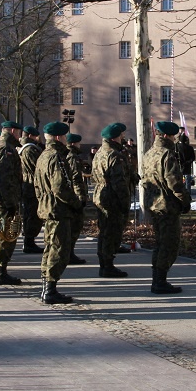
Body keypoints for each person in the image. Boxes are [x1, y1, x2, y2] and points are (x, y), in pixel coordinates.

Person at [34, 121, 84, 304]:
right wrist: (75, 202)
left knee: (50, 247)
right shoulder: (56, 157)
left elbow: (37, 185)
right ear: (58, 137)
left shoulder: (43, 155)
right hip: (58, 209)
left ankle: (47, 286)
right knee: (58, 249)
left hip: (48, 208)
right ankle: (50, 289)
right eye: (63, 137)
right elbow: (60, 187)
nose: (65, 140)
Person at [141, 121, 191, 294]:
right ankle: (159, 282)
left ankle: (158, 280)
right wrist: (185, 201)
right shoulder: (167, 155)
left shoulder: (149, 154)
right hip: (167, 205)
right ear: (167, 136)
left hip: (153, 204)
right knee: (169, 244)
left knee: (160, 242)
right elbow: (175, 184)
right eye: (174, 136)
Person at [91, 123, 135, 278]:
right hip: (112, 197)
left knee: (104, 231)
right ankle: (107, 266)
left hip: (101, 195)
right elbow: (119, 182)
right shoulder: (114, 155)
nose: (123, 137)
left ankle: (104, 263)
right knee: (111, 232)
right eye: (121, 135)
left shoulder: (100, 152)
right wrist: (125, 202)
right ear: (116, 137)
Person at [0, 121, 24, 285]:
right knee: (3, 236)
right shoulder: (5, 149)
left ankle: (0, 269)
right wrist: (10, 203)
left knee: (1, 235)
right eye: (19, 132)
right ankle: (0, 271)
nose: (20, 136)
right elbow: (4, 179)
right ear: (13, 131)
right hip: (2, 202)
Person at [18, 125, 44, 254]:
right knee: (32, 215)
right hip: (32, 185)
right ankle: (29, 242)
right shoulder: (30, 150)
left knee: (29, 214)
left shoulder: (22, 148)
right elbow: (38, 168)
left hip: (27, 184)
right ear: (30, 136)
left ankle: (29, 241)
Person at [65, 132, 88, 265]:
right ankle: (69, 253)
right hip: (74, 196)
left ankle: (69, 252)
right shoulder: (73, 157)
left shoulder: (67, 155)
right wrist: (81, 197)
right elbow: (75, 179)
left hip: (70, 195)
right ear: (74, 143)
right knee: (75, 225)